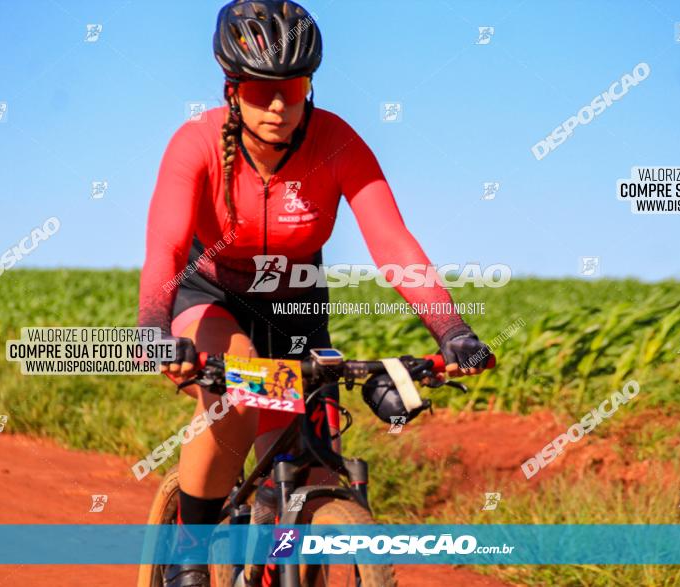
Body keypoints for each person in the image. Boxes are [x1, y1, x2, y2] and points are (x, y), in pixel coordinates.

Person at [137, 1, 491, 585]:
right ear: (232, 88)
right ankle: (187, 555)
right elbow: (166, 250)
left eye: (293, 86)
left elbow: (393, 243)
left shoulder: (337, 142)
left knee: (308, 464)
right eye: (258, 88)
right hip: (211, 295)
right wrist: (152, 329)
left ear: (310, 85)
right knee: (242, 393)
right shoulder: (194, 144)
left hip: (296, 302)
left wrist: (451, 330)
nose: (277, 105)